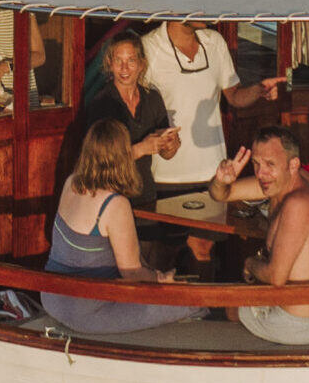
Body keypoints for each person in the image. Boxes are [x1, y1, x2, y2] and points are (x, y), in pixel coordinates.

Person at [40, 121, 208, 335]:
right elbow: (132, 273)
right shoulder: (114, 204)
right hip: (87, 311)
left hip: (52, 297)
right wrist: (163, 280)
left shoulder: (71, 182)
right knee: (195, 303)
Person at [210, 127, 309, 346]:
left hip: (299, 324)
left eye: (270, 164)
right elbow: (222, 194)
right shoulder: (293, 182)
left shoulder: (297, 204)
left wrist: (249, 263)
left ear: (293, 164)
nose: (260, 173)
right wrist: (222, 180)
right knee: (242, 291)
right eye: (256, 163)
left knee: (222, 305)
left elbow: (276, 277)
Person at [141, 21, 287, 193]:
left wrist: (259, 90)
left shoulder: (215, 41)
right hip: (165, 178)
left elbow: (234, 96)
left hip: (215, 175)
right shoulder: (148, 47)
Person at [80, 34, 180, 207]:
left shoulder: (152, 98)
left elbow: (166, 154)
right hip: (111, 199)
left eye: (131, 60)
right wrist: (142, 148)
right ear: (109, 64)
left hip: (146, 195)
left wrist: (170, 145)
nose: (124, 68)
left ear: (142, 64)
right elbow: (97, 161)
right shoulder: (102, 103)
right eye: (119, 61)